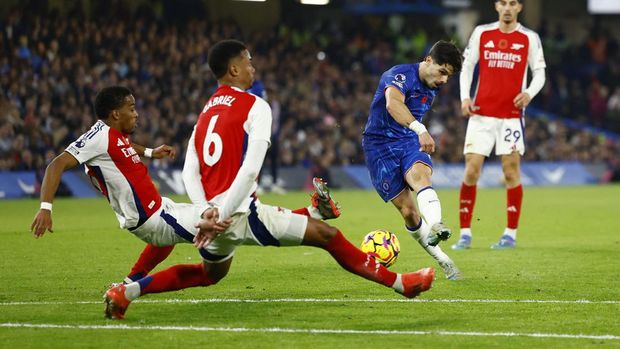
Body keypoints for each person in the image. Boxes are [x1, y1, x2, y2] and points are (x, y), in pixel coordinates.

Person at [104, 40, 435, 319]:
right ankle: (401, 284)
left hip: (215, 213)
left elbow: (190, 168)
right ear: (233, 70)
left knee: (209, 274)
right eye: (248, 62)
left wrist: (206, 209)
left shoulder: (207, 110)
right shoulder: (256, 106)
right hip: (236, 213)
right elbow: (249, 170)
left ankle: (126, 292)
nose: (253, 68)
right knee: (328, 236)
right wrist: (222, 213)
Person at [362, 40, 462, 280]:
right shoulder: (398, 75)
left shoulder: (433, 84)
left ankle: (437, 224)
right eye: (442, 72)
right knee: (409, 212)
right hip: (378, 147)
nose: (444, 80)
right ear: (428, 60)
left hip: (408, 141)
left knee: (421, 176)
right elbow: (393, 104)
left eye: (449, 76)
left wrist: (416, 132)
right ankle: (443, 259)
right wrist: (420, 129)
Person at [452, 0, 546, 250]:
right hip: (481, 115)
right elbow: (467, 66)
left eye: (512, 3)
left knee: (511, 173)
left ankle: (510, 235)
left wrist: (528, 93)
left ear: (519, 8)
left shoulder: (529, 37)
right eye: (503, 2)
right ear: (496, 6)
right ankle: (464, 234)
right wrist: (465, 97)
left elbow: (540, 73)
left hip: (511, 117)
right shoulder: (482, 32)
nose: (507, 7)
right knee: (471, 171)